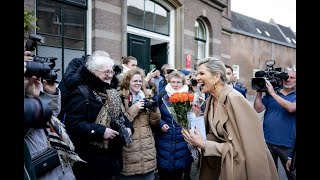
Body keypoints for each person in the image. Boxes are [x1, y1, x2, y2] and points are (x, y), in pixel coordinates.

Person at [182, 57, 278, 180]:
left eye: (201, 73)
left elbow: (249, 149)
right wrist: (194, 135)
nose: (197, 78)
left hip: (239, 171)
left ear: (216, 77)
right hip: (219, 167)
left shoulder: (235, 99)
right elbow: (215, 136)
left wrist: (205, 144)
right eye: (197, 74)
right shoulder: (210, 100)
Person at [62, 50, 134, 180]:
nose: (110, 75)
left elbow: (121, 116)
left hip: (112, 159)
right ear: (93, 72)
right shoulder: (81, 92)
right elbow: (73, 124)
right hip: (89, 161)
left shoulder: (112, 92)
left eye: (111, 71)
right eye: (106, 72)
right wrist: (100, 131)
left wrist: (128, 127)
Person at [24, 50, 83, 180]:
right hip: (39, 162)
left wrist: (50, 93)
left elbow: (50, 115)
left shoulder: (31, 89)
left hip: (58, 157)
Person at [118, 68, 161, 180]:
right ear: (128, 81)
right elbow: (120, 123)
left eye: (140, 81)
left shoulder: (147, 95)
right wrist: (135, 108)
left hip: (147, 149)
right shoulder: (121, 98)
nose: (138, 83)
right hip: (129, 149)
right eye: (135, 81)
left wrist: (154, 110)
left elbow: (155, 123)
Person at [254, 68, 296, 180]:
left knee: (292, 175)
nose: (288, 79)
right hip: (268, 143)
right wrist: (259, 90)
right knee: (270, 175)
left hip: (288, 146)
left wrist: (272, 93)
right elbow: (258, 109)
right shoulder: (271, 95)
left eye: (292, 78)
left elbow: (291, 108)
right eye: (286, 77)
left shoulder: (293, 96)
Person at [154, 70, 193, 180]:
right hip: (164, 139)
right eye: (173, 82)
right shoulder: (161, 95)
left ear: (183, 83)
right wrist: (160, 123)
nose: (175, 85)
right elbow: (153, 113)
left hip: (182, 140)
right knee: (164, 173)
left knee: (178, 173)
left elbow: (194, 117)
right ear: (168, 82)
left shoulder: (189, 97)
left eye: (178, 82)